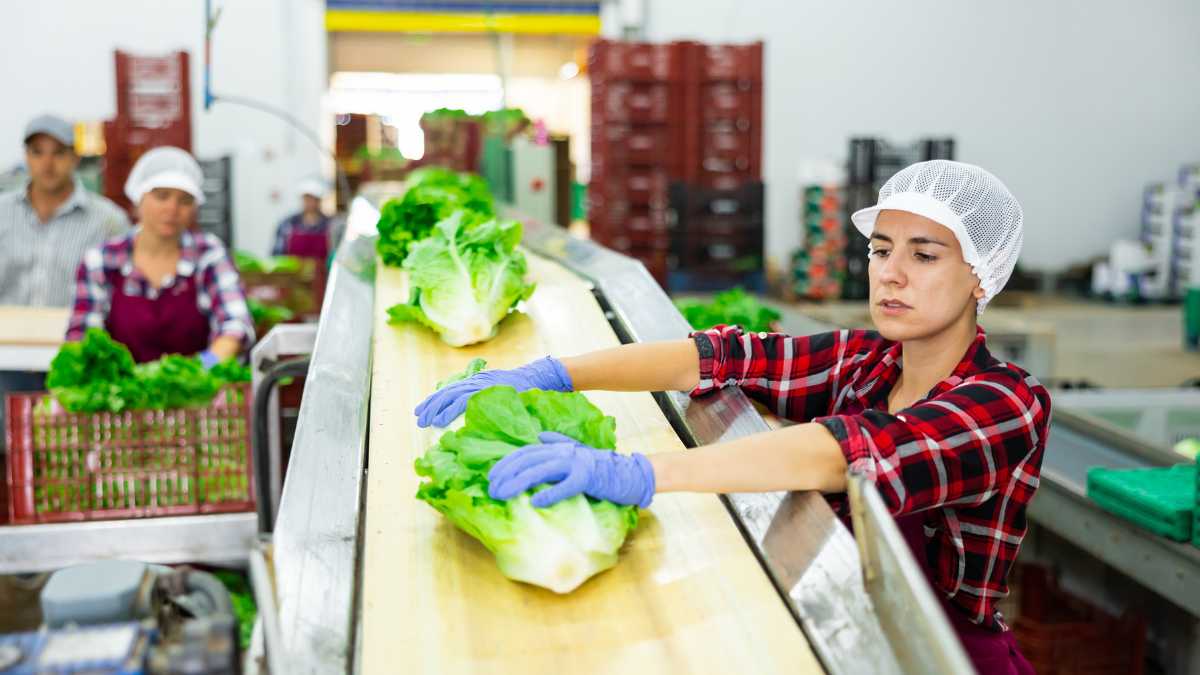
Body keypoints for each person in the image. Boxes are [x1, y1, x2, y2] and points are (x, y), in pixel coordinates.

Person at [414, 160, 1047, 674]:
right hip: (846, 618)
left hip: (939, 654)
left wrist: (639, 473)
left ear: (981, 277)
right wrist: (553, 373)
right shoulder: (868, 361)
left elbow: (851, 452)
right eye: (882, 251)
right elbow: (725, 356)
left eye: (925, 256)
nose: (891, 275)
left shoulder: (1007, 403)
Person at [65, 146, 254, 366]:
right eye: (161, 196)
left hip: (200, 394)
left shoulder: (209, 255)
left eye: (185, 200)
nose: (172, 209)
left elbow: (235, 326)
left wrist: (202, 368)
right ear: (138, 199)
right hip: (122, 394)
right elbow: (82, 337)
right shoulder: (101, 261)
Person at [0, 114, 129, 307]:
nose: (47, 163)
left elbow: (124, 294)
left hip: (78, 334)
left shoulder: (108, 221)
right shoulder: (3, 212)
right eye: (37, 152)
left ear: (75, 157)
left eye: (58, 152)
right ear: (26, 156)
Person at [271, 177, 333, 262]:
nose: (310, 202)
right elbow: (277, 254)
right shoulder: (288, 224)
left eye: (314, 198)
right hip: (293, 274)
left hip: (321, 274)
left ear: (319, 200)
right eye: (307, 198)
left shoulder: (331, 225)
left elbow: (334, 256)